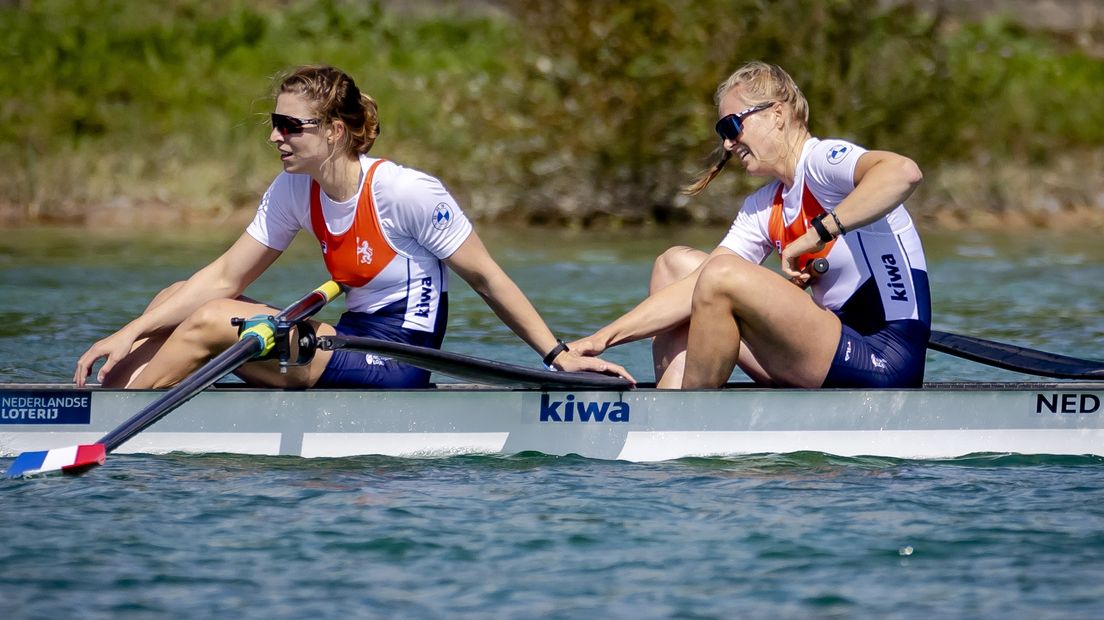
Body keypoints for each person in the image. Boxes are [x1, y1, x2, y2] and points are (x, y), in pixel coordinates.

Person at [74, 65, 632, 389]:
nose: (275, 137)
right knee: (175, 300)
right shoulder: (294, 188)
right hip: (346, 341)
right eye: (275, 124)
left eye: (291, 126)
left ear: (335, 132)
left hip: (399, 362)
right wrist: (130, 331)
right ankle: (115, 398)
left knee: (210, 320)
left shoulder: (406, 191)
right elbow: (223, 273)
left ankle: (110, 421)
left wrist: (556, 356)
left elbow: (488, 279)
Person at [569, 61, 930, 389]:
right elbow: (695, 286)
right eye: (722, 131)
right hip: (829, 346)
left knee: (722, 275)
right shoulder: (763, 205)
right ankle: (671, 403)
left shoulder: (822, 162)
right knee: (675, 264)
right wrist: (601, 339)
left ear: (777, 114)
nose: (728, 142)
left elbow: (903, 172)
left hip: (884, 355)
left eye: (732, 125)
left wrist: (817, 233)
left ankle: (688, 417)